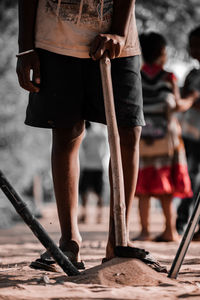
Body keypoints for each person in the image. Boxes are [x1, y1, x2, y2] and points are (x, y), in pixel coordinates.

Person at [16, 0, 145, 270]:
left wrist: (120, 31)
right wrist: (25, 47)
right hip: (55, 39)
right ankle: (69, 243)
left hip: (119, 41)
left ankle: (118, 241)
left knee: (128, 130)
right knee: (66, 131)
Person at [134, 32, 199, 242]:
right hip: (166, 139)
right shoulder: (169, 77)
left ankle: (145, 230)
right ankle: (170, 230)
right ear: (163, 53)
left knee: (143, 184)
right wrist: (192, 98)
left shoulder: (137, 76)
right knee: (166, 184)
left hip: (144, 137)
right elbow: (177, 104)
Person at [176, 26, 200, 238]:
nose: (193, 49)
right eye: (191, 45)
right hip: (191, 133)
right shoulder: (192, 74)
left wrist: (191, 100)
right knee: (190, 178)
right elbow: (185, 98)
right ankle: (183, 222)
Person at [79, 121, 108, 224]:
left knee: (84, 192)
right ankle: (99, 216)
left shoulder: (85, 137)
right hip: (98, 166)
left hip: (87, 166)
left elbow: (81, 152)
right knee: (99, 193)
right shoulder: (100, 134)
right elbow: (105, 145)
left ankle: (84, 214)